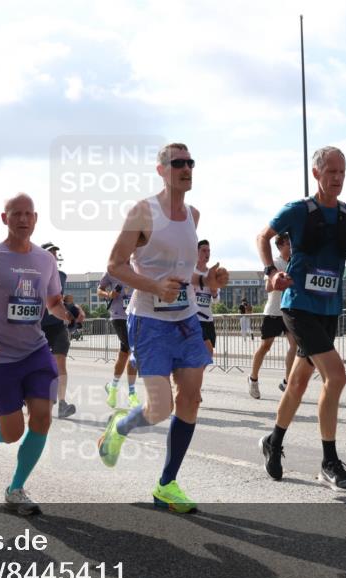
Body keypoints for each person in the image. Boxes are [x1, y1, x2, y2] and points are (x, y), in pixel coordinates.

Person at [96, 142, 228, 513]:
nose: (185, 168)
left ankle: (167, 484)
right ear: (161, 170)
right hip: (149, 321)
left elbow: (187, 274)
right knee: (158, 408)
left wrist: (208, 280)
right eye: (177, 163)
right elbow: (115, 264)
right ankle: (119, 428)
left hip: (185, 320)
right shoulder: (143, 212)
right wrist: (154, 287)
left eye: (190, 162)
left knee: (191, 398)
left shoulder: (192, 214)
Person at [256, 145, 346, 493]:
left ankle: (273, 441)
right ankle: (329, 463)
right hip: (298, 305)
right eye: (331, 172)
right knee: (336, 377)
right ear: (316, 174)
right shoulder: (298, 210)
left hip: (329, 309)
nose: (337, 178)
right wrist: (269, 273)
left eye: (342, 172)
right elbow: (262, 236)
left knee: (298, 383)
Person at [0, 193, 72, 515]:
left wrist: (68, 313)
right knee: (12, 433)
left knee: (42, 417)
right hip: (0, 358)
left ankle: (15, 489)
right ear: (4, 218)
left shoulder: (46, 260)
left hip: (36, 351)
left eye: (28, 214)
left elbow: (52, 302)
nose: (23, 220)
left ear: (35, 219)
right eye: (16, 214)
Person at [248, 232, 297, 399]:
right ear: (280, 246)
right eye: (288, 244)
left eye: (291, 244)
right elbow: (268, 288)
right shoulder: (275, 263)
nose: (291, 247)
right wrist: (280, 280)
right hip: (274, 311)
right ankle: (253, 378)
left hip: (289, 310)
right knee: (265, 346)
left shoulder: (295, 261)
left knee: (294, 345)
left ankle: (286, 381)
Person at [39, 241, 84, 418]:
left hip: (57, 326)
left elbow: (61, 300)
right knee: (39, 365)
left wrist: (76, 309)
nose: (53, 256)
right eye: (50, 253)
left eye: (55, 253)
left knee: (60, 362)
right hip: (37, 327)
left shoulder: (61, 276)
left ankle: (62, 404)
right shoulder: (33, 274)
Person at [96, 272, 139, 409]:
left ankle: (112, 387)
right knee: (134, 351)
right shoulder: (111, 270)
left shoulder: (137, 268)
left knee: (124, 353)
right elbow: (99, 290)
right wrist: (108, 295)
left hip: (134, 315)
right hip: (118, 316)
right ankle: (132, 395)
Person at [194, 239, 221, 356]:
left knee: (208, 355)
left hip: (208, 319)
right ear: (196, 252)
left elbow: (216, 301)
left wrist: (214, 293)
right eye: (204, 250)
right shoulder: (190, 272)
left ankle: (192, 374)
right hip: (194, 319)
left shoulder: (212, 274)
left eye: (209, 251)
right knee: (207, 349)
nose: (207, 253)